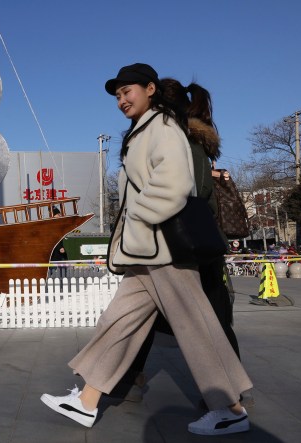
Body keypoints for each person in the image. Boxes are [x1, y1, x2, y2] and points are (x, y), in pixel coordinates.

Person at [40, 63, 252, 436]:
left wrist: (138, 219)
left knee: (196, 328)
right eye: (117, 95)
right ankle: (87, 401)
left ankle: (230, 408)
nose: (122, 100)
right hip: (147, 250)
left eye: (128, 91)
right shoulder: (143, 130)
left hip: (163, 248)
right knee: (118, 321)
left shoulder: (163, 126)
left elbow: (175, 184)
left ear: (150, 89)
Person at [110, 78, 247, 407]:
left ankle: (229, 397)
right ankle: (229, 395)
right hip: (191, 242)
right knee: (190, 315)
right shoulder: (188, 139)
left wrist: (142, 212)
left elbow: (190, 194)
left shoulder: (176, 138)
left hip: (181, 243)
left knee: (202, 319)